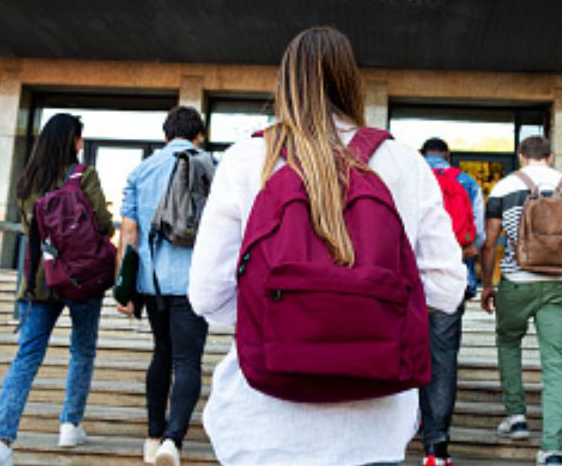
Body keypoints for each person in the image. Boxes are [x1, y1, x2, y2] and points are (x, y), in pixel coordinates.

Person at [187, 26, 466, 466]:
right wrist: (370, 317)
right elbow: (448, 286)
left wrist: (282, 319)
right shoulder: (404, 163)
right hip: (374, 430)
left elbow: (206, 295)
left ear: (285, 85)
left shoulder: (246, 159)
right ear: (350, 83)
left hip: (262, 425)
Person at [0, 114, 114, 466]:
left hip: (40, 280)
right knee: (82, 350)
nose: (82, 144)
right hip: (81, 278)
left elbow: (32, 232)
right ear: (73, 140)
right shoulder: (83, 174)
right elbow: (102, 222)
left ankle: (0, 441)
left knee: (26, 358)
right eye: (80, 138)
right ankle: (70, 424)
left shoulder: (27, 181)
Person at [479, 135, 562, 466]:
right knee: (556, 365)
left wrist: (487, 284)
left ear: (521, 157)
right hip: (560, 286)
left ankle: (517, 417)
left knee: (508, 342)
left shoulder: (504, 188)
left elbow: (489, 242)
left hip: (516, 283)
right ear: (550, 157)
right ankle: (551, 450)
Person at [118, 106, 212, 466]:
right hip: (193, 281)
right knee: (188, 360)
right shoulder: (209, 165)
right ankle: (174, 441)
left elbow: (128, 232)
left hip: (151, 281)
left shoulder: (142, 170)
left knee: (162, 354)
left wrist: (124, 288)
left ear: (165, 135)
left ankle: (153, 435)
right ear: (198, 135)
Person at [418, 137, 486, 466]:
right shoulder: (466, 181)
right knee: (442, 361)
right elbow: (480, 238)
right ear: (447, 156)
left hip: (407, 283)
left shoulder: (409, 174)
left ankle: (403, 427)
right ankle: (437, 447)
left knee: (403, 353)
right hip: (449, 283)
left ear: (424, 155)